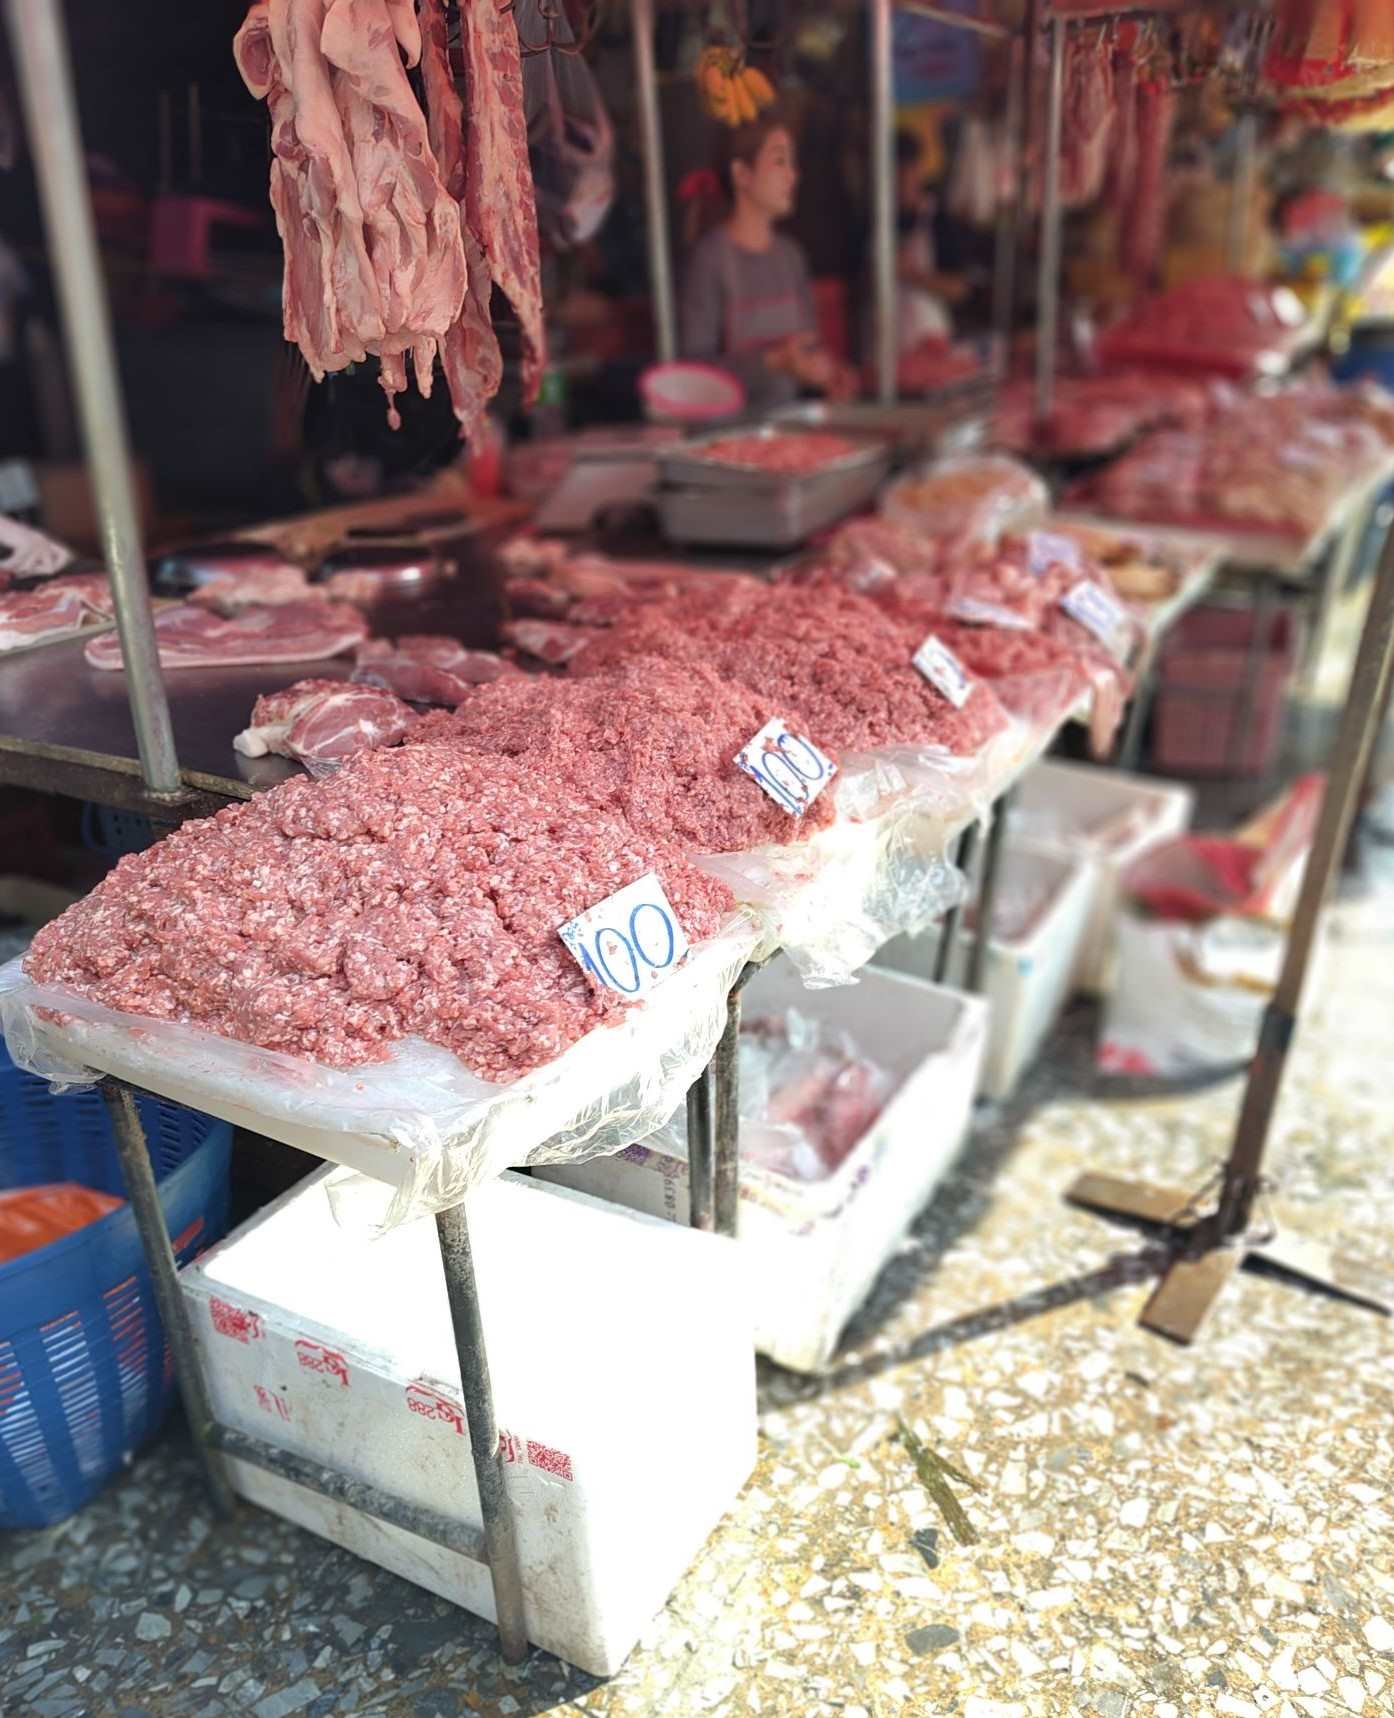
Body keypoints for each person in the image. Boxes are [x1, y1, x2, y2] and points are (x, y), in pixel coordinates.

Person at [680, 108, 855, 413]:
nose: (793, 175)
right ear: (742, 174)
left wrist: (829, 373)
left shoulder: (790, 256)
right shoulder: (711, 259)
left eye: (793, 163)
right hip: (729, 437)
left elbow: (808, 347)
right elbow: (694, 373)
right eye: (779, 161)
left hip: (787, 427)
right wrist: (774, 361)